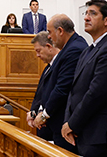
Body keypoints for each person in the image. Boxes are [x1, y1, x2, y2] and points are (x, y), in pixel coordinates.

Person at [60, 0, 107, 157]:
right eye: (86, 13)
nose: (86, 18)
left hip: (97, 135)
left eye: (93, 13)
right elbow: (74, 90)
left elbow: (96, 94)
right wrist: (68, 122)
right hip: (81, 132)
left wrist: (73, 123)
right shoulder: (89, 50)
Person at [32, 14, 88, 148]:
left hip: (64, 122)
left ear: (60, 31)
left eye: (50, 32)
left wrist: (45, 115)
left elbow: (62, 88)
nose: (49, 37)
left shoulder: (74, 49)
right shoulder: (69, 48)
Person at [27, 31, 59, 141]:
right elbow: (40, 94)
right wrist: (33, 112)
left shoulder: (59, 66)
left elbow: (58, 93)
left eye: (38, 51)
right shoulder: (47, 68)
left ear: (49, 47)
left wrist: (43, 115)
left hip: (54, 126)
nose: (37, 55)